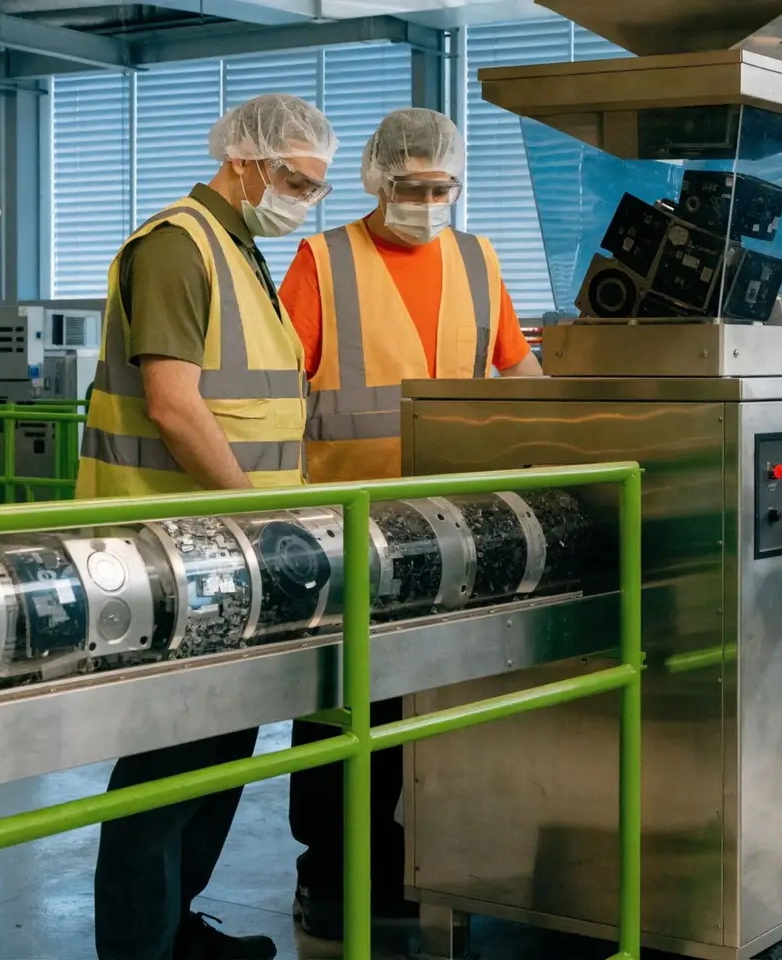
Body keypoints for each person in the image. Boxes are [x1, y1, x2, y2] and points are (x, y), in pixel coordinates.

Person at [77, 92, 337, 960]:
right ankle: (138, 949)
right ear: (245, 161)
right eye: (296, 179)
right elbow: (174, 406)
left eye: (315, 186)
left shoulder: (239, 251)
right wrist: (262, 519)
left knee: (220, 751)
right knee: (164, 767)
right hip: (171, 551)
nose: (305, 198)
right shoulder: (176, 247)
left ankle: (177, 931)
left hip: (228, 552)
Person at [277, 106, 541, 941]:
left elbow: (519, 374)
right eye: (412, 187)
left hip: (455, 528)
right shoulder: (323, 262)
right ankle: (331, 876)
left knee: (425, 701)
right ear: (376, 179)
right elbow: (275, 390)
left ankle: (422, 864)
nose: (427, 203)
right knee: (342, 705)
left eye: (442, 188)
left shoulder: (477, 259)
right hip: (346, 526)